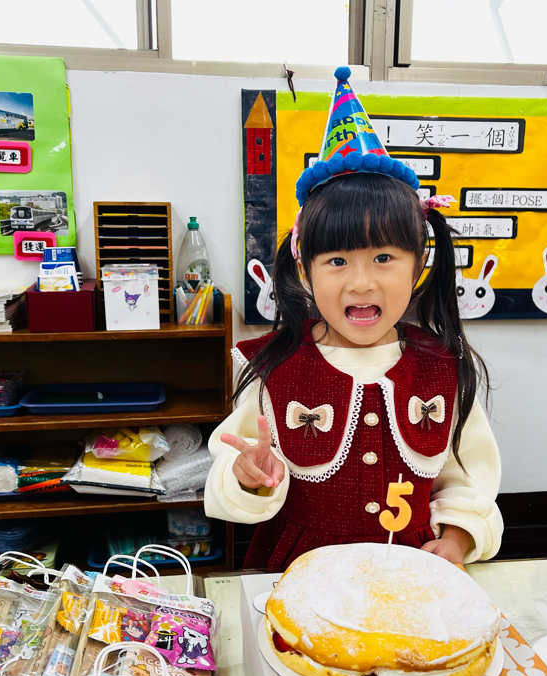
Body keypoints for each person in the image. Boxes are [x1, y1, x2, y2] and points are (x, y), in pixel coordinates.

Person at [205, 68, 503, 571]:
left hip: (410, 570)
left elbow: (467, 478)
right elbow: (233, 475)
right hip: (299, 571)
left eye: (384, 258)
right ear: (305, 270)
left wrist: (456, 540)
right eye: (338, 261)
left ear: (418, 263)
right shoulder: (272, 367)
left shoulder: (444, 367)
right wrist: (246, 474)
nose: (361, 283)